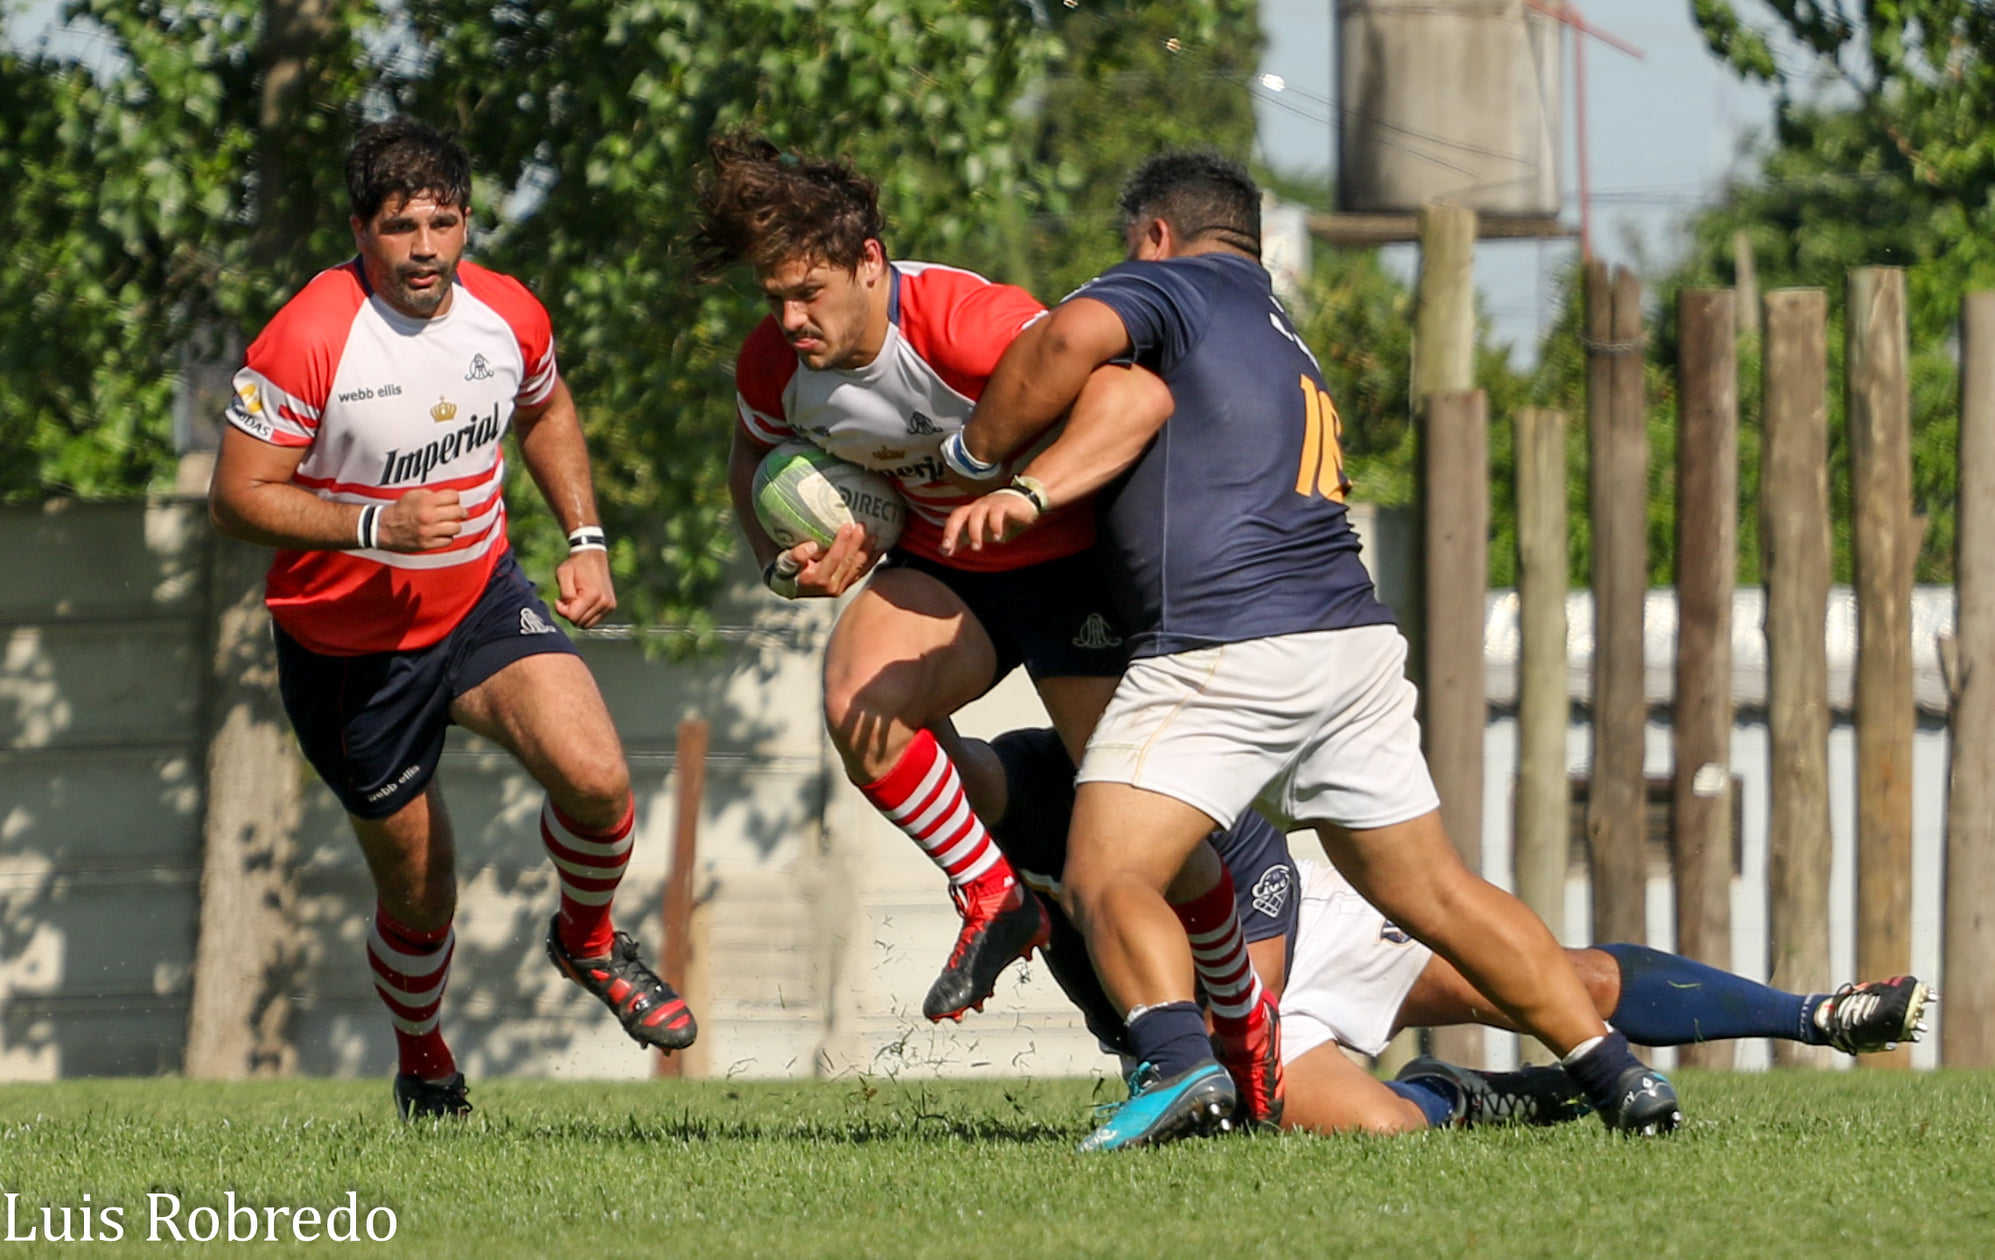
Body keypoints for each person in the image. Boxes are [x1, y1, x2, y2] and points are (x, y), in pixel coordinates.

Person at [944, 149, 1682, 1150]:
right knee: (1434, 889)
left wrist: (973, 454)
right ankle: (1615, 1075)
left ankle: (1173, 1066)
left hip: (1223, 642)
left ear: (1157, 236)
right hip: (1350, 641)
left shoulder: (1172, 285)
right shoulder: (1279, 330)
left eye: (1132, 251)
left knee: (1104, 868)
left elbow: (1068, 334)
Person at [689, 133, 1284, 1118]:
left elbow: (1136, 396)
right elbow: (750, 467)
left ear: (870, 263)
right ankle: (992, 894)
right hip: (948, 569)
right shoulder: (773, 365)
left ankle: (1240, 1010)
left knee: (1145, 844)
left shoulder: (967, 322)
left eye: (810, 293)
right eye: (772, 297)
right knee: (856, 699)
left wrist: (1035, 491)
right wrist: (782, 560)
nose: (790, 319)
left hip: (1077, 566)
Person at [207, 116, 695, 1120]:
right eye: (399, 226)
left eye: (442, 222)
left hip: (480, 598)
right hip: (349, 657)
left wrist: (587, 537)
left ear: (468, 222)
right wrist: (374, 519)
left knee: (599, 779)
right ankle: (424, 1059)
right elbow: (236, 495)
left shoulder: (507, 314)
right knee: (423, 897)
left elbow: (547, 408)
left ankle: (590, 943)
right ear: (360, 229)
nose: (424, 247)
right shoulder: (308, 336)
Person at [962, 727, 1937, 1136]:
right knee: (1386, 1130)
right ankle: (1467, 1094)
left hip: (1283, 940)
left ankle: (1820, 1015)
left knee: (1564, 986)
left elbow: (1255, 867)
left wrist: (1240, 1026)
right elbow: (1031, 898)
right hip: (1202, 1027)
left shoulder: (1112, 760)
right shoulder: (988, 812)